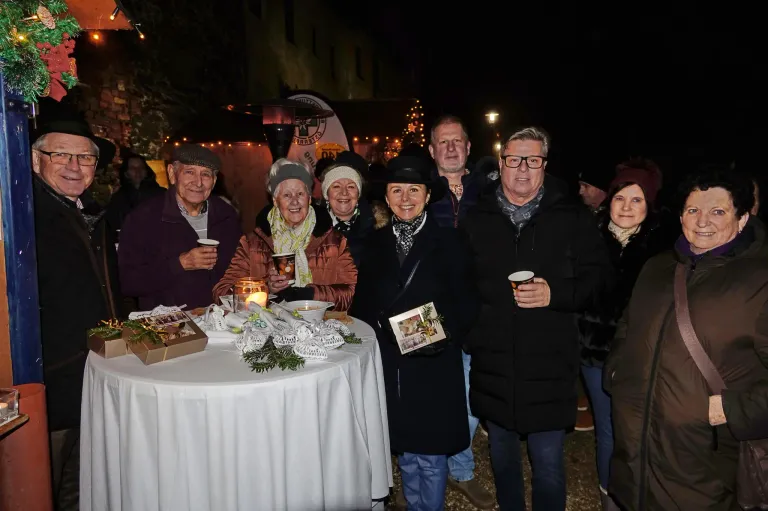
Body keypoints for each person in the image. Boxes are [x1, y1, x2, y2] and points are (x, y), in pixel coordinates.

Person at [462, 127, 612, 511]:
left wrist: (555, 294)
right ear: (501, 163)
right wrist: (471, 334)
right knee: (503, 459)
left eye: (533, 160)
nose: (523, 169)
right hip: (493, 362)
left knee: (547, 466)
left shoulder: (572, 217)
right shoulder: (477, 218)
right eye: (514, 159)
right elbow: (460, 283)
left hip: (550, 362)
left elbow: (598, 279)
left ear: (545, 165)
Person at [606, 167, 768, 510]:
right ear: (681, 216)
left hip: (705, 467)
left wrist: (736, 409)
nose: (702, 220)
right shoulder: (658, 267)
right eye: (693, 209)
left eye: (718, 211)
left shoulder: (760, 281)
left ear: (742, 219)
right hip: (635, 453)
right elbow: (628, 325)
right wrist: (617, 372)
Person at [350, 155, 478, 511]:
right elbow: (363, 302)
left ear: (427, 195)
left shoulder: (451, 241)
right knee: (405, 451)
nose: (405, 198)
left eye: (414, 190)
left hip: (435, 363)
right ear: (386, 197)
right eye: (397, 190)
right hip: (391, 365)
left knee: (432, 457)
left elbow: (468, 302)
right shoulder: (375, 243)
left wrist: (432, 333)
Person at [30, 118, 120, 496]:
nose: (73, 166)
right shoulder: (25, 215)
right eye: (60, 154)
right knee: (42, 481)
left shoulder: (93, 212)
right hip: (53, 373)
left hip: (96, 364)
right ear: (36, 159)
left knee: (85, 479)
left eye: (84, 158)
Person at [577, 159, 664, 509]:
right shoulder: (588, 240)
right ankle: (611, 499)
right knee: (609, 429)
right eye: (620, 198)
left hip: (644, 360)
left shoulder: (662, 250)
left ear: (649, 205)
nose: (626, 207)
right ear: (609, 200)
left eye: (636, 199)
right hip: (596, 355)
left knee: (643, 431)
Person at [426, 115, 494, 509]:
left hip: (476, 309)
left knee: (471, 395)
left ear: (468, 147)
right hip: (430, 311)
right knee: (434, 394)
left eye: (457, 141)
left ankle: (460, 467)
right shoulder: (418, 190)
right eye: (443, 142)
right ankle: (440, 467)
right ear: (432, 150)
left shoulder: (489, 192)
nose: (451, 148)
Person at [213, 159, 357, 310]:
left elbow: (350, 294)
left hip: (319, 324)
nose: (295, 202)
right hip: (267, 324)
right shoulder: (252, 243)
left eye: (300, 194)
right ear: (275, 201)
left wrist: (309, 294)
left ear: (309, 198)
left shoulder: (334, 241)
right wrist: (266, 288)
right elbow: (222, 293)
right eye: (287, 195)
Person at [118, 144, 241, 310]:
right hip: (170, 321)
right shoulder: (143, 218)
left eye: (205, 174)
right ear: (172, 174)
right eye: (189, 172)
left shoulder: (226, 215)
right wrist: (180, 264)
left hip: (222, 317)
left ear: (214, 181)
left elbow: (240, 268)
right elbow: (128, 283)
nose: (198, 182)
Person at [321, 163, 374, 267]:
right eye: (336, 186)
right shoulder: (310, 229)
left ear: (358, 194)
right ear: (326, 194)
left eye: (351, 187)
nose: (344, 192)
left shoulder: (376, 228)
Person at [105, 153, 164, 237]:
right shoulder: (118, 199)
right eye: (133, 168)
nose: (138, 171)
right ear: (126, 173)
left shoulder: (162, 195)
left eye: (141, 167)